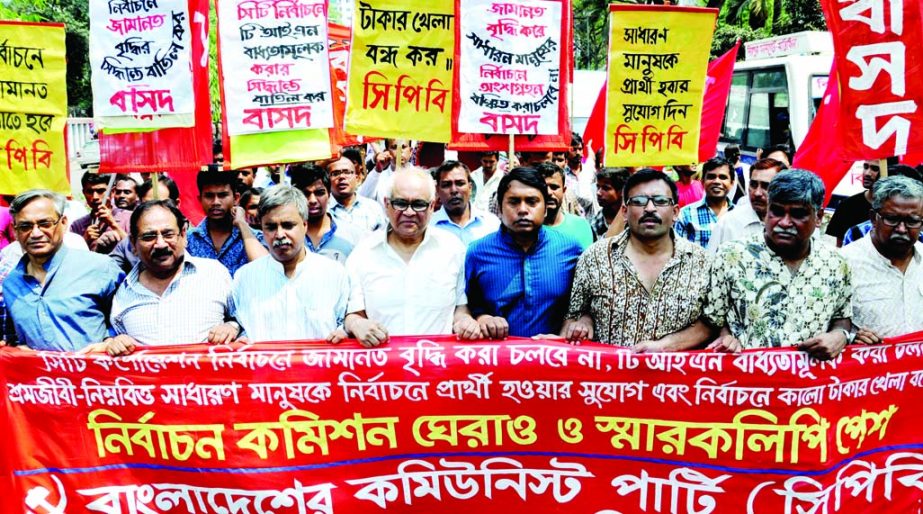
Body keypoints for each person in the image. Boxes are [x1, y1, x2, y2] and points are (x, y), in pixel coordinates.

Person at [704, 170, 853, 360]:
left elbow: (842, 318)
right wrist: (725, 337)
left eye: (798, 214)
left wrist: (839, 336)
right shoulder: (731, 256)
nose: (784, 222)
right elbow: (712, 320)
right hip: (746, 382)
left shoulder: (837, 263)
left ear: (819, 217)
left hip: (808, 385)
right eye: (777, 211)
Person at [562, 169, 714, 351]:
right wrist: (582, 325)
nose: (650, 208)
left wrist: (666, 346)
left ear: (675, 212)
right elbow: (573, 317)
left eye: (660, 201)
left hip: (677, 378)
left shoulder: (702, 262)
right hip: (610, 377)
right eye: (639, 202)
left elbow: (712, 322)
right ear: (625, 212)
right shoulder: (594, 257)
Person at [344, 167, 480, 346]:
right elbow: (353, 313)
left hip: (437, 366)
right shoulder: (362, 254)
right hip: (381, 367)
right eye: (400, 203)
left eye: (418, 204)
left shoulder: (453, 250)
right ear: (386, 204)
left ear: (432, 206)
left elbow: (460, 307)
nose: (409, 212)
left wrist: (465, 322)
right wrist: (357, 324)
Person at [86, 200, 239, 355]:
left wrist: (232, 327)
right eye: (149, 236)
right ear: (133, 243)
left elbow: (245, 324)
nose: (160, 244)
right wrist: (114, 342)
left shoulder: (215, 274)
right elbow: (113, 341)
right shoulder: (123, 294)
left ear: (184, 234)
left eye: (168, 234)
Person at [465, 167, 583, 338]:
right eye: (513, 202)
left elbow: (582, 307)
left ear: (545, 208)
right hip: (497, 360)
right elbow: (466, 305)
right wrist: (482, 318)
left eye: (532, 201)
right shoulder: (478, 253)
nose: (522, 209)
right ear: (499, 207)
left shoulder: (571, 250)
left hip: (554, 359)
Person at [2, 190, 124, 351]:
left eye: (45, 224)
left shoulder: (100, 268)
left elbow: (128, 322)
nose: (36, 233)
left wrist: (111, 340)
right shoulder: (11, 284)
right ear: (15, 230)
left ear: (64, 223)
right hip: (38, 376)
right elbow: (13, 339)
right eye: (25, 226)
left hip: (95, 374)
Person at [232, 185, 350, 342]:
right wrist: (237, 334)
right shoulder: (244, 278)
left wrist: (345, 333)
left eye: (288, 225)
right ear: (261, 228)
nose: (280, 235)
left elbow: (346, 326)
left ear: (304, 225)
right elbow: (239, 326)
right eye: (271, 227)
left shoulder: (334, 274)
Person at [841, 176, 923, 341]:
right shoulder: (843, 263)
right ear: (873, 218)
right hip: (867, 365)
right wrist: (848, 338)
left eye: (912, 221)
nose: (901, 229)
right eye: (891, 219)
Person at [186, 170, 267, 276]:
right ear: (200, 199)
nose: (216, 202)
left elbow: (266, 268)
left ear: (236, 198)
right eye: (209, 196)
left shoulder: (255, 237)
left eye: (222, 195)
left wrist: (242, 224)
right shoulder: (188, 240)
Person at [290, 164, 366, 263]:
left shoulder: (352, 236)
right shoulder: (287, 236)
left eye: (319, 193)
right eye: (305, 194)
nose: (312, 200)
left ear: (329, 195)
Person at [707, 158, 786, 252]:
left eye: (766, 186)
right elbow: (710, 261)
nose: (757, 193)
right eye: (753, 184)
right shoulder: (728, 222)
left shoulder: (789, 225)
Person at [109, 176, 181, 273]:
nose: (155, 211)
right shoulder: (128, 244)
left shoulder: (193, 240)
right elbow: (108, 273)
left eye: (162, 204)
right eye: (148, 205)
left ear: (177, 204)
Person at [431, 160, 500, 245]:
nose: (454, 190)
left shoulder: (491, 224)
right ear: (437, 190)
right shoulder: (428, 227)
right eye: (446, 185)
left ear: (470, 188)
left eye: (460, 183)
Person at [674, 157, 734, 248]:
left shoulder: (740, 215)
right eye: (711, 177)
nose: (717, 181)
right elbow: (677, 252)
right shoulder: (685, 215)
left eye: (723, 177)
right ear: (702, 182)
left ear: (732, 183)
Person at [70, 172, 131, 253]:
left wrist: (113, 224)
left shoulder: (129, 217)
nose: (95, 197)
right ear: (84, 193)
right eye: (89, 191)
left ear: (112, 192)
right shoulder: (78, 225)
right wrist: (84, 240)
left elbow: (136, 250)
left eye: (100, 191)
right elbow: (72, 257)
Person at [537, 162, 594, 249]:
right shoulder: (526, 230)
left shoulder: (581, 226)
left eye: (554, 187)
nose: (548, 192)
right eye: (543, 187)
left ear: (564, 191)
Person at [826, 160, 881, 246]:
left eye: (875, 169)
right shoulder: (847, 206)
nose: (867, 173)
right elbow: (840, 248)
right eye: (865, 167)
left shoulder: (897, 209)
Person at [326, 155, 386, 232]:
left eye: (347, 172)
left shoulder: (373, 208)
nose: (341, 177)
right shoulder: (323, 211)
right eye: (335, 173)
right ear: (327, 180)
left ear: (357, 178)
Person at [591, 167, 630, 239]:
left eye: (606, 188)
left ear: (621, 191)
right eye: (598, 187)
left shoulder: (632, 221)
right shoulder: (595, 223)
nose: (598, 193)